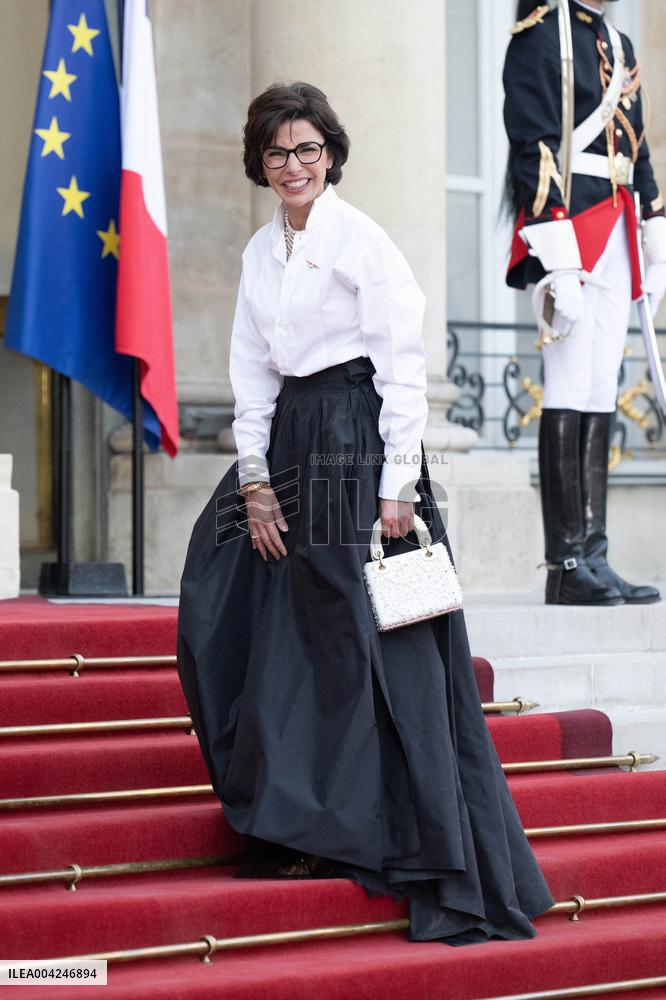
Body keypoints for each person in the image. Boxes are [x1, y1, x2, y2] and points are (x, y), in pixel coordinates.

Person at [177, 81, 554, 945]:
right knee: (221, 602)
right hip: (287, 452)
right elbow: (250, 372)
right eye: (278, 152)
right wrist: (253, 479)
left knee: (357, 638)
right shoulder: (256, 254)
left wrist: (398, 484)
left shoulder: (362, 241)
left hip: (358, 446)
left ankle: (380, 833)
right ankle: (294, 816)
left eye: (308, 149)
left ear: (332, 154)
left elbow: (401, 364)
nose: (294, 165)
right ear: (260, 163)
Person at [503, 0, 664, 605]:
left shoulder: (616, 43)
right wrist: (557, 253)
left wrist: (653, 224)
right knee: (569, 385)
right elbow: (533, 146)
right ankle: (565, 564)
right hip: (572, 232)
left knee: (601, 385)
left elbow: (637, 146)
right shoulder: (541, 35)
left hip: (618, 229)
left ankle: (595, 553)